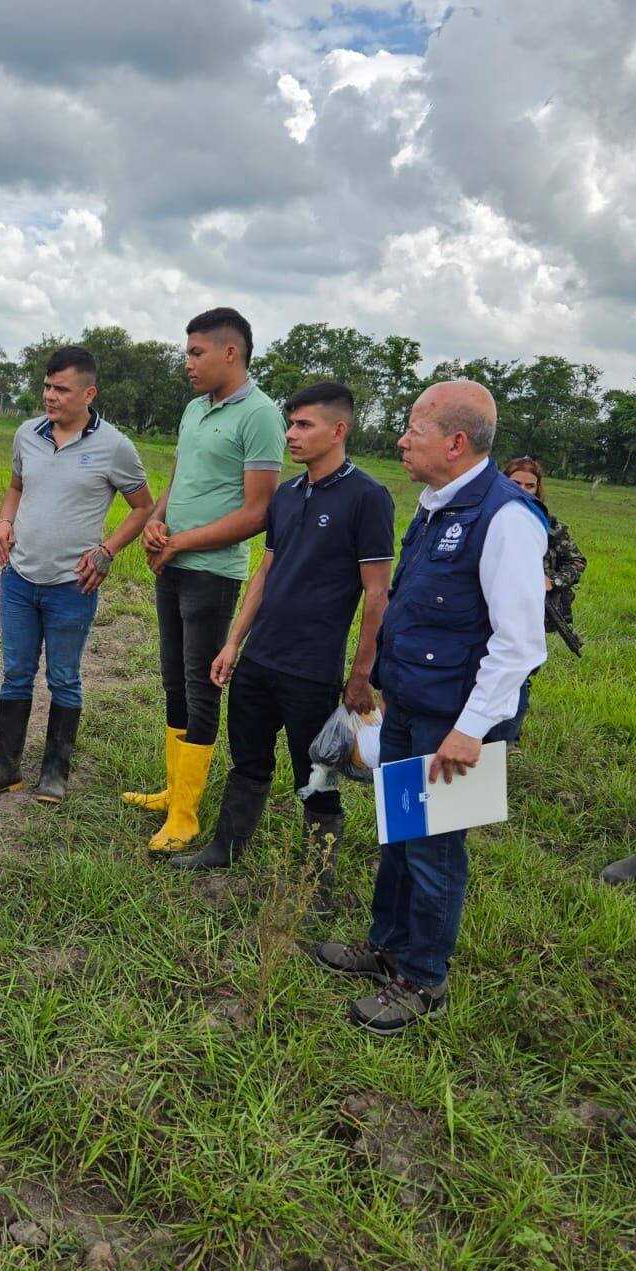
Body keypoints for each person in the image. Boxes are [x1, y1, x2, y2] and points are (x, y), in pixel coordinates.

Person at [315, 380, 548, 1036]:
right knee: (399, 832)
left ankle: (422, 978)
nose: (401, 439)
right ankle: (385, 944)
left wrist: (471, 731)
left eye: (414, 428)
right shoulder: (435, 506)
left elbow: (519, 644)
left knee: (435, 849)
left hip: (457, 723)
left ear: (455, 441)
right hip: (413, 706)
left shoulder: (504, 518)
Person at [172, 382, 394, 904]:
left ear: (338, 430)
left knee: (316, 773)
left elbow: (377, 595)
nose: (291, 434)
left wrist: (361, 676)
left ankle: (317, 880)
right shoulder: (289, 495)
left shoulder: (367, 497)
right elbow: (266, 572)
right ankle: (225, 848)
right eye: (290, 423)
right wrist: (232, 644)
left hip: (312, 670)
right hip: (260, 660)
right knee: (247, 759)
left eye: (303, 425)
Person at [122, 307, 285, 853]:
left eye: (196, 352)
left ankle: (187, 816)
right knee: (173, 680)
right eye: (186, 352)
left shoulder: (260, 415)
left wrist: (182, 543)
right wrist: (156, 522)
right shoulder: (194, 409)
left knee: (199, 687)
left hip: (212, 574)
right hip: (174, 563)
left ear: (230, 353)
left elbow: (258, 512)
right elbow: (178, 479)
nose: (187, 363)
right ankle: (174, 792)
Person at [0, 346, 153, 803]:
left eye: (61, 389)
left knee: (64, 677)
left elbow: (143, 507)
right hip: (19, 579)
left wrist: (107, 551)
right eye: (47, 386)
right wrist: (5, 521)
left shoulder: (115, 446)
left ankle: (55, 771)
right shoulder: (28, 434)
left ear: (88, 393)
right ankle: (5, 768)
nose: (50, 396)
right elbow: (15, 487)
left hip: (73, 585)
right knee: (15, 675)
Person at [500, 456, 586, 746]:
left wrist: (554, 581)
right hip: (487, 608)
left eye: (530, 485)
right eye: (515, 483)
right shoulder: (487, 517)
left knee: (519, 674)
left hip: (530, 611)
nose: (523, 490)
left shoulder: (549, 525)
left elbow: (577, 560)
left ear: (538, 489)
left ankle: (508, 740)